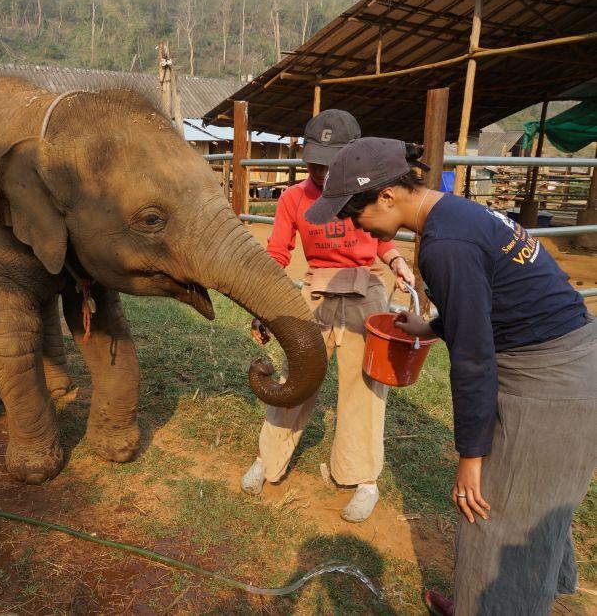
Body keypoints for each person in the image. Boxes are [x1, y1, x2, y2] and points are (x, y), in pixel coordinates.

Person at [305, 136, 597, 615]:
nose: (348, 223)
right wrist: (434, 325)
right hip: (569, 356)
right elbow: (498, 302)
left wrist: (471, 455)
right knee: (531, 504)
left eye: (351, 212)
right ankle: (479, 604)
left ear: (386, 196)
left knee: (494, 513)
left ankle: (492, 606)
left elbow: (475, 357)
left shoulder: (444, 245)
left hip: (551, 381)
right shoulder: (456, 213)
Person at [242, 110, 415, 524]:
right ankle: (269, 459)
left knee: (364, 386)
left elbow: (380, 239)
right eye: (314, 160)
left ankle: (363, 479)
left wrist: (396, 262)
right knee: (297, 377)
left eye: (329, 161)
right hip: (315, 292)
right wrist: (265, 304)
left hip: (365, 290)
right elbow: (278, 252)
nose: (320, 170)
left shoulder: (365, 191)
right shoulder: (292, 198)